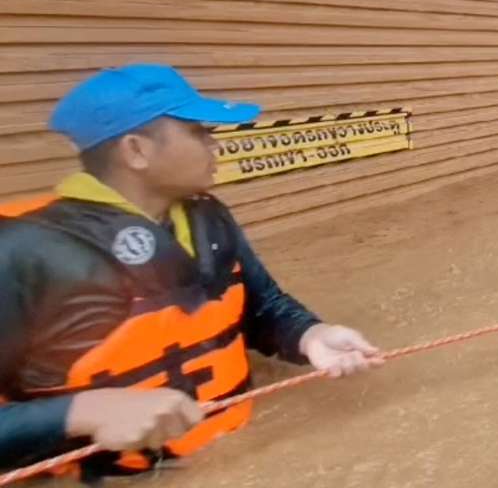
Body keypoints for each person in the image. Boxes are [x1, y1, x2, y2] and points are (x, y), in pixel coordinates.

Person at [0, 65, 382, 480]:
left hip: (239, 453)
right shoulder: (22, 251)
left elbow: (262, 307)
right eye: (198, 131)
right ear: (136, 151)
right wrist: (82, 411)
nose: (214, 143)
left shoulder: (208, 218)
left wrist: (310, 336)